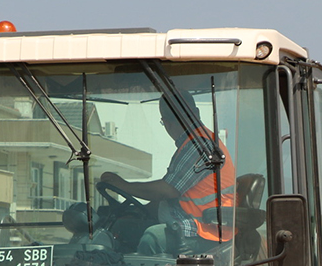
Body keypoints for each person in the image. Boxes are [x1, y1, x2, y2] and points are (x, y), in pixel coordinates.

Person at [99, 96, 235, 255]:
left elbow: (167, 190)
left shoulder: (200, 145)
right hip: (192, 225)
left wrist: (123, 186)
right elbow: (171, 199)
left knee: (152, 238)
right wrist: (138, 211)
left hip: (205, 231)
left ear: (167, 123)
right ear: (196, 113)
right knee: (123, 228)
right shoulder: (195, 143)